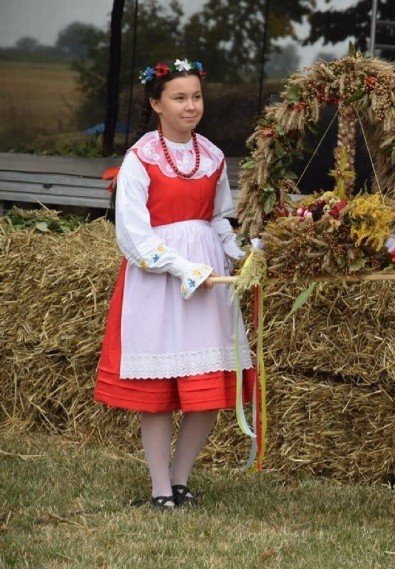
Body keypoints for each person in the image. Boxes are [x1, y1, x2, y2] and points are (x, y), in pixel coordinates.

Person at [94, 58, 254, 509]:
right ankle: (160, 487)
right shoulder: (141, 158)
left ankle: (182, 479)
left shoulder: (215, 157)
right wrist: (183, 268)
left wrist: (243, 253)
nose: (190, 106)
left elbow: (220, 219)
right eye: (179, 98)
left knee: (206, 388)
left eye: (196, 97)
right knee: (159, 393)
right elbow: (133, 235)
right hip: (161, 282)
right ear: (156, 104)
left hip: (208, 280)